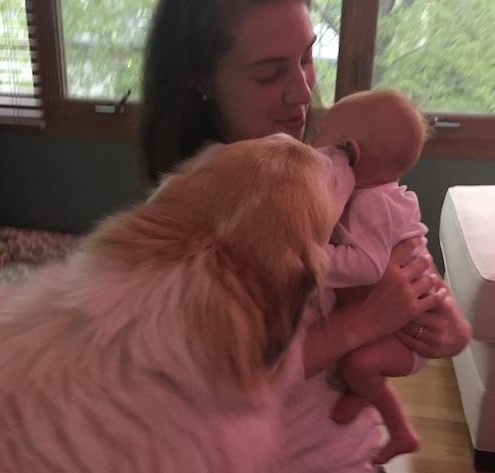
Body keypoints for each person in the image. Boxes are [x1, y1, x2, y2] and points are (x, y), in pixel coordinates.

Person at [138, 1, 471, 471]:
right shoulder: (202, 211)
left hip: (354, 451)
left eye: (308, 58)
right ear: (201, 79)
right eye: (270, 74)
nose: (303, 89)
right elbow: (222, 385)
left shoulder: (322, 157)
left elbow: (398, 248)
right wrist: (366, 321)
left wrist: (443, 318)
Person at [311, 89, 433, 465]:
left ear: (352, 154)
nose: (313, 146)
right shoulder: (373, 195)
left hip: (410, 336)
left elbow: (366, 266)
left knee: (358, 366)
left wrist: (309, 257)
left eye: (321, 138)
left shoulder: (371, 203)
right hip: (400, 320)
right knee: (357, 362)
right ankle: (401, 431)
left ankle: (393, 426)